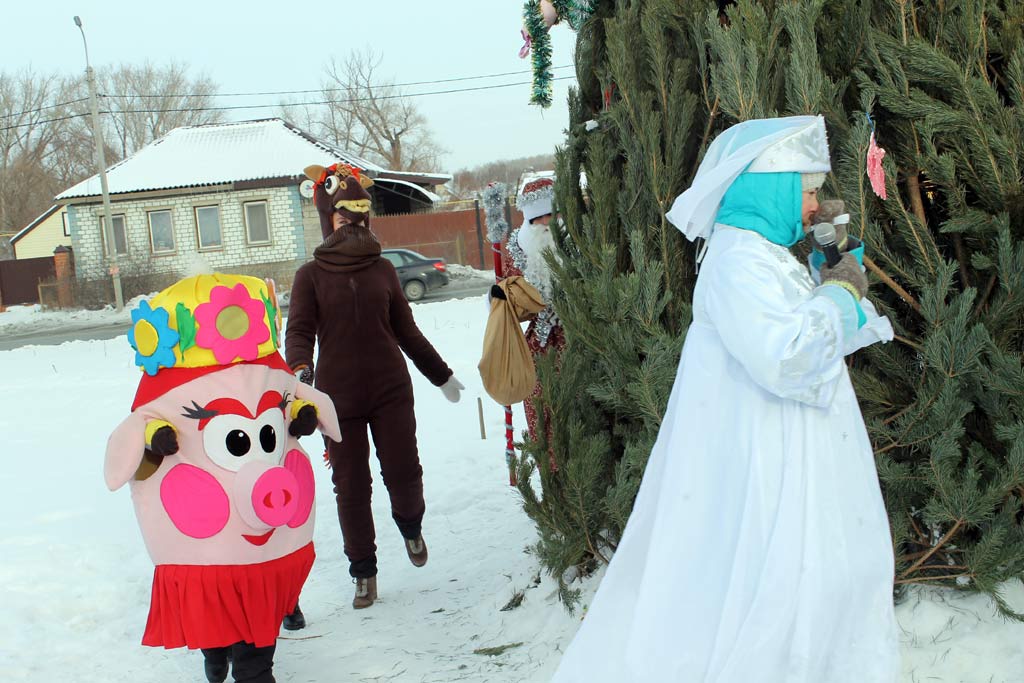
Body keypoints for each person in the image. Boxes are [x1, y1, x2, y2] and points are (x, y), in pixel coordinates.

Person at [552, 116, 900, 681]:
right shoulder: (738, 262)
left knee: (818, 576)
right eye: (808, 191)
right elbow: (784, 356)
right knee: (772, 584)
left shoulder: (761, 255)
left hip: (791, 446)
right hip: (763, 457)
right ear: (771, 187)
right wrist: (839, 294)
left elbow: (820, 332)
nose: (815, 205)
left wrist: (833, 269)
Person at [104, 273, 340, 683]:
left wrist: (299, 415)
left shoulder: (269, 379)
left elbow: (290, 402)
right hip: (213, 540)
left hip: (266, 538)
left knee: (254, 626)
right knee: (217, 599)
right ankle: (216, 651)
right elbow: (138, 441)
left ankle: (248, 666)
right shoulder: (166, 404)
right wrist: (153, 439)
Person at [286, 163, 464, 610]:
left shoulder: (383, 269)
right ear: (329, 219)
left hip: (390, 391)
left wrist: (440, 374)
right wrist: (301, 371)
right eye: (344, 219)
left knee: (404, 472)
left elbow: (407, 331)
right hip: (337, 398)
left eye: (359, 219)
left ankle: (410, 525)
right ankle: (363, 572)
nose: (353, 226)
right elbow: (300, 331)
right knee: (351, 487)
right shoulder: (310, 275)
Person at [504, 176, 564, 462]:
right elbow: (507, 299)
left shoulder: (576, 243)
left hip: (578, 340)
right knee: (542, 416)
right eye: (538, 218)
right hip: (538, 348)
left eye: (552, 215)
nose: (546, 224)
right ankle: (552, 481)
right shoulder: (518, 249)